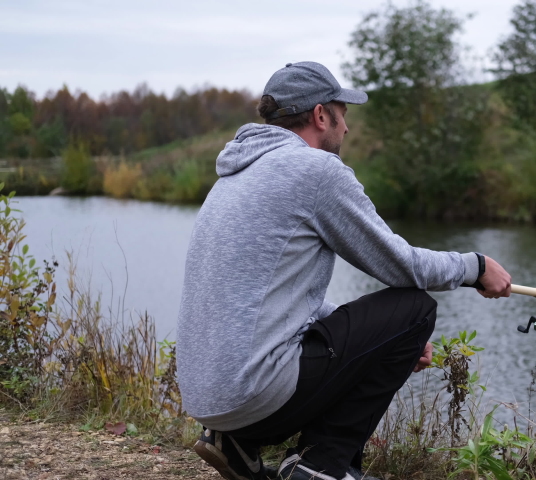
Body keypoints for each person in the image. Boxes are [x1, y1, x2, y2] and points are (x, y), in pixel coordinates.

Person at [176, 61, 512, 480]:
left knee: (393, 325)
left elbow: (269, 297)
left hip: (207, 398)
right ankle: (319, 467)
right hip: (252, 395)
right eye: (343, 113)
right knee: (414, 308)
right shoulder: (315, 171)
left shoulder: (235, 176)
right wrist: (475, 266)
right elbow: (401, 265)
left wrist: (382, 343)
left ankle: (235, 444)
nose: (347, 129)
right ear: (321, 115)